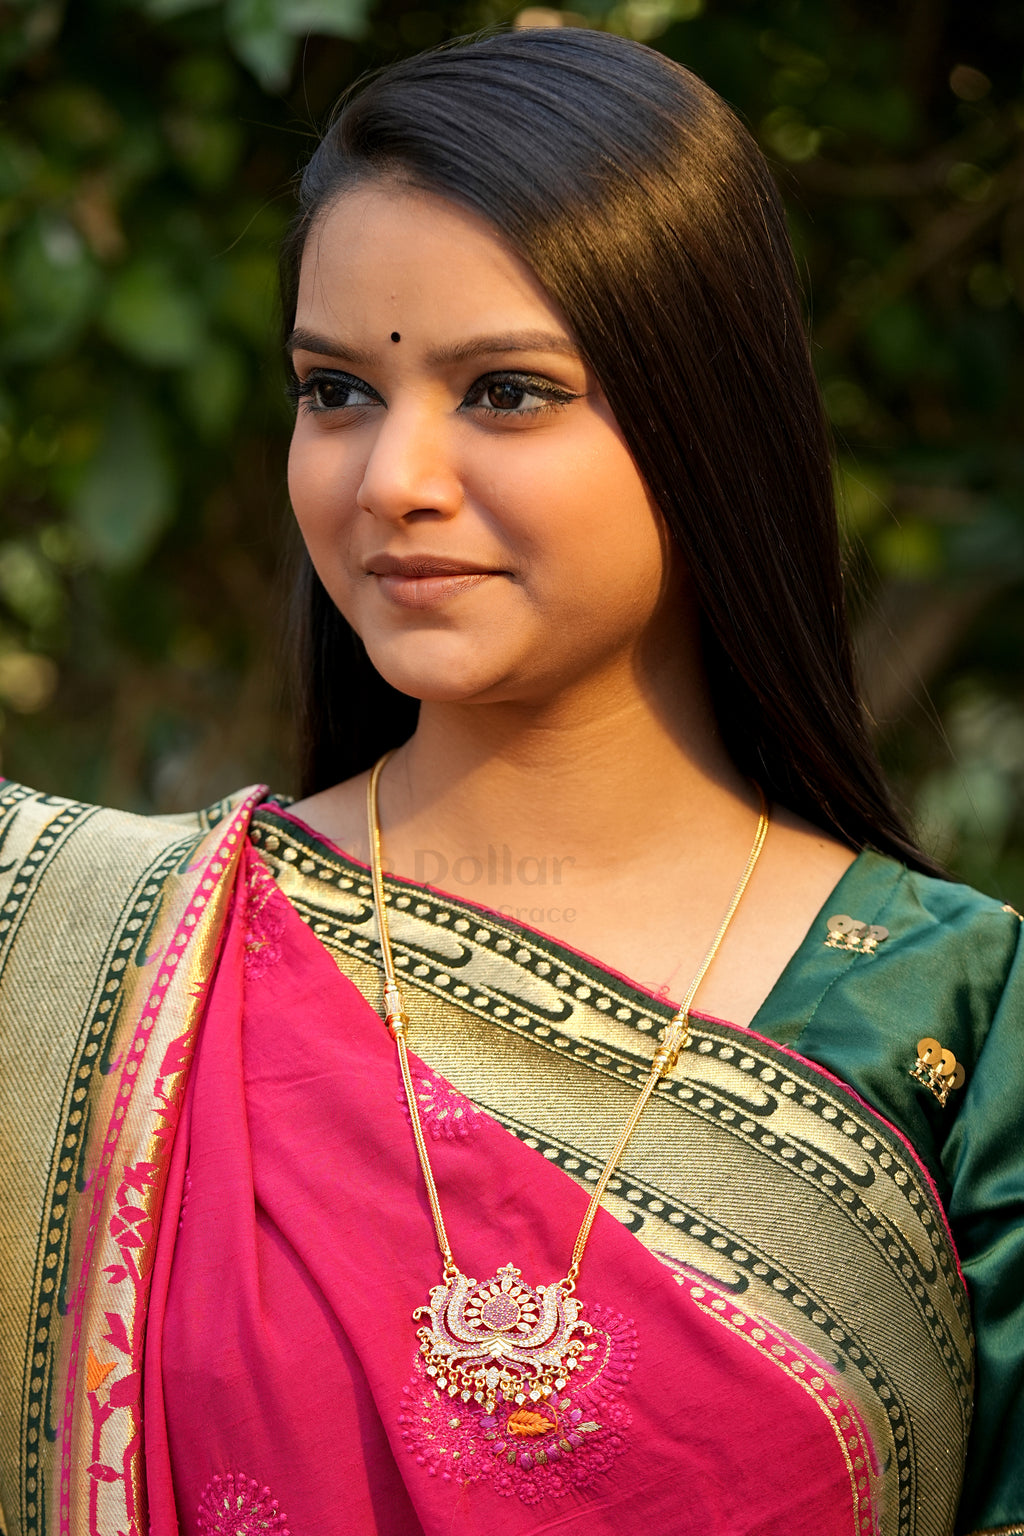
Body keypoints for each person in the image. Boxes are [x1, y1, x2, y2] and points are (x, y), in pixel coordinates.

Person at [0, 26, 1020, 1536]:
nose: (392, 477)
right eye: (337, 390)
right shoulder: (91, 962)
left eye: (507, 392)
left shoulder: (952, 1011)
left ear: (708, 425)